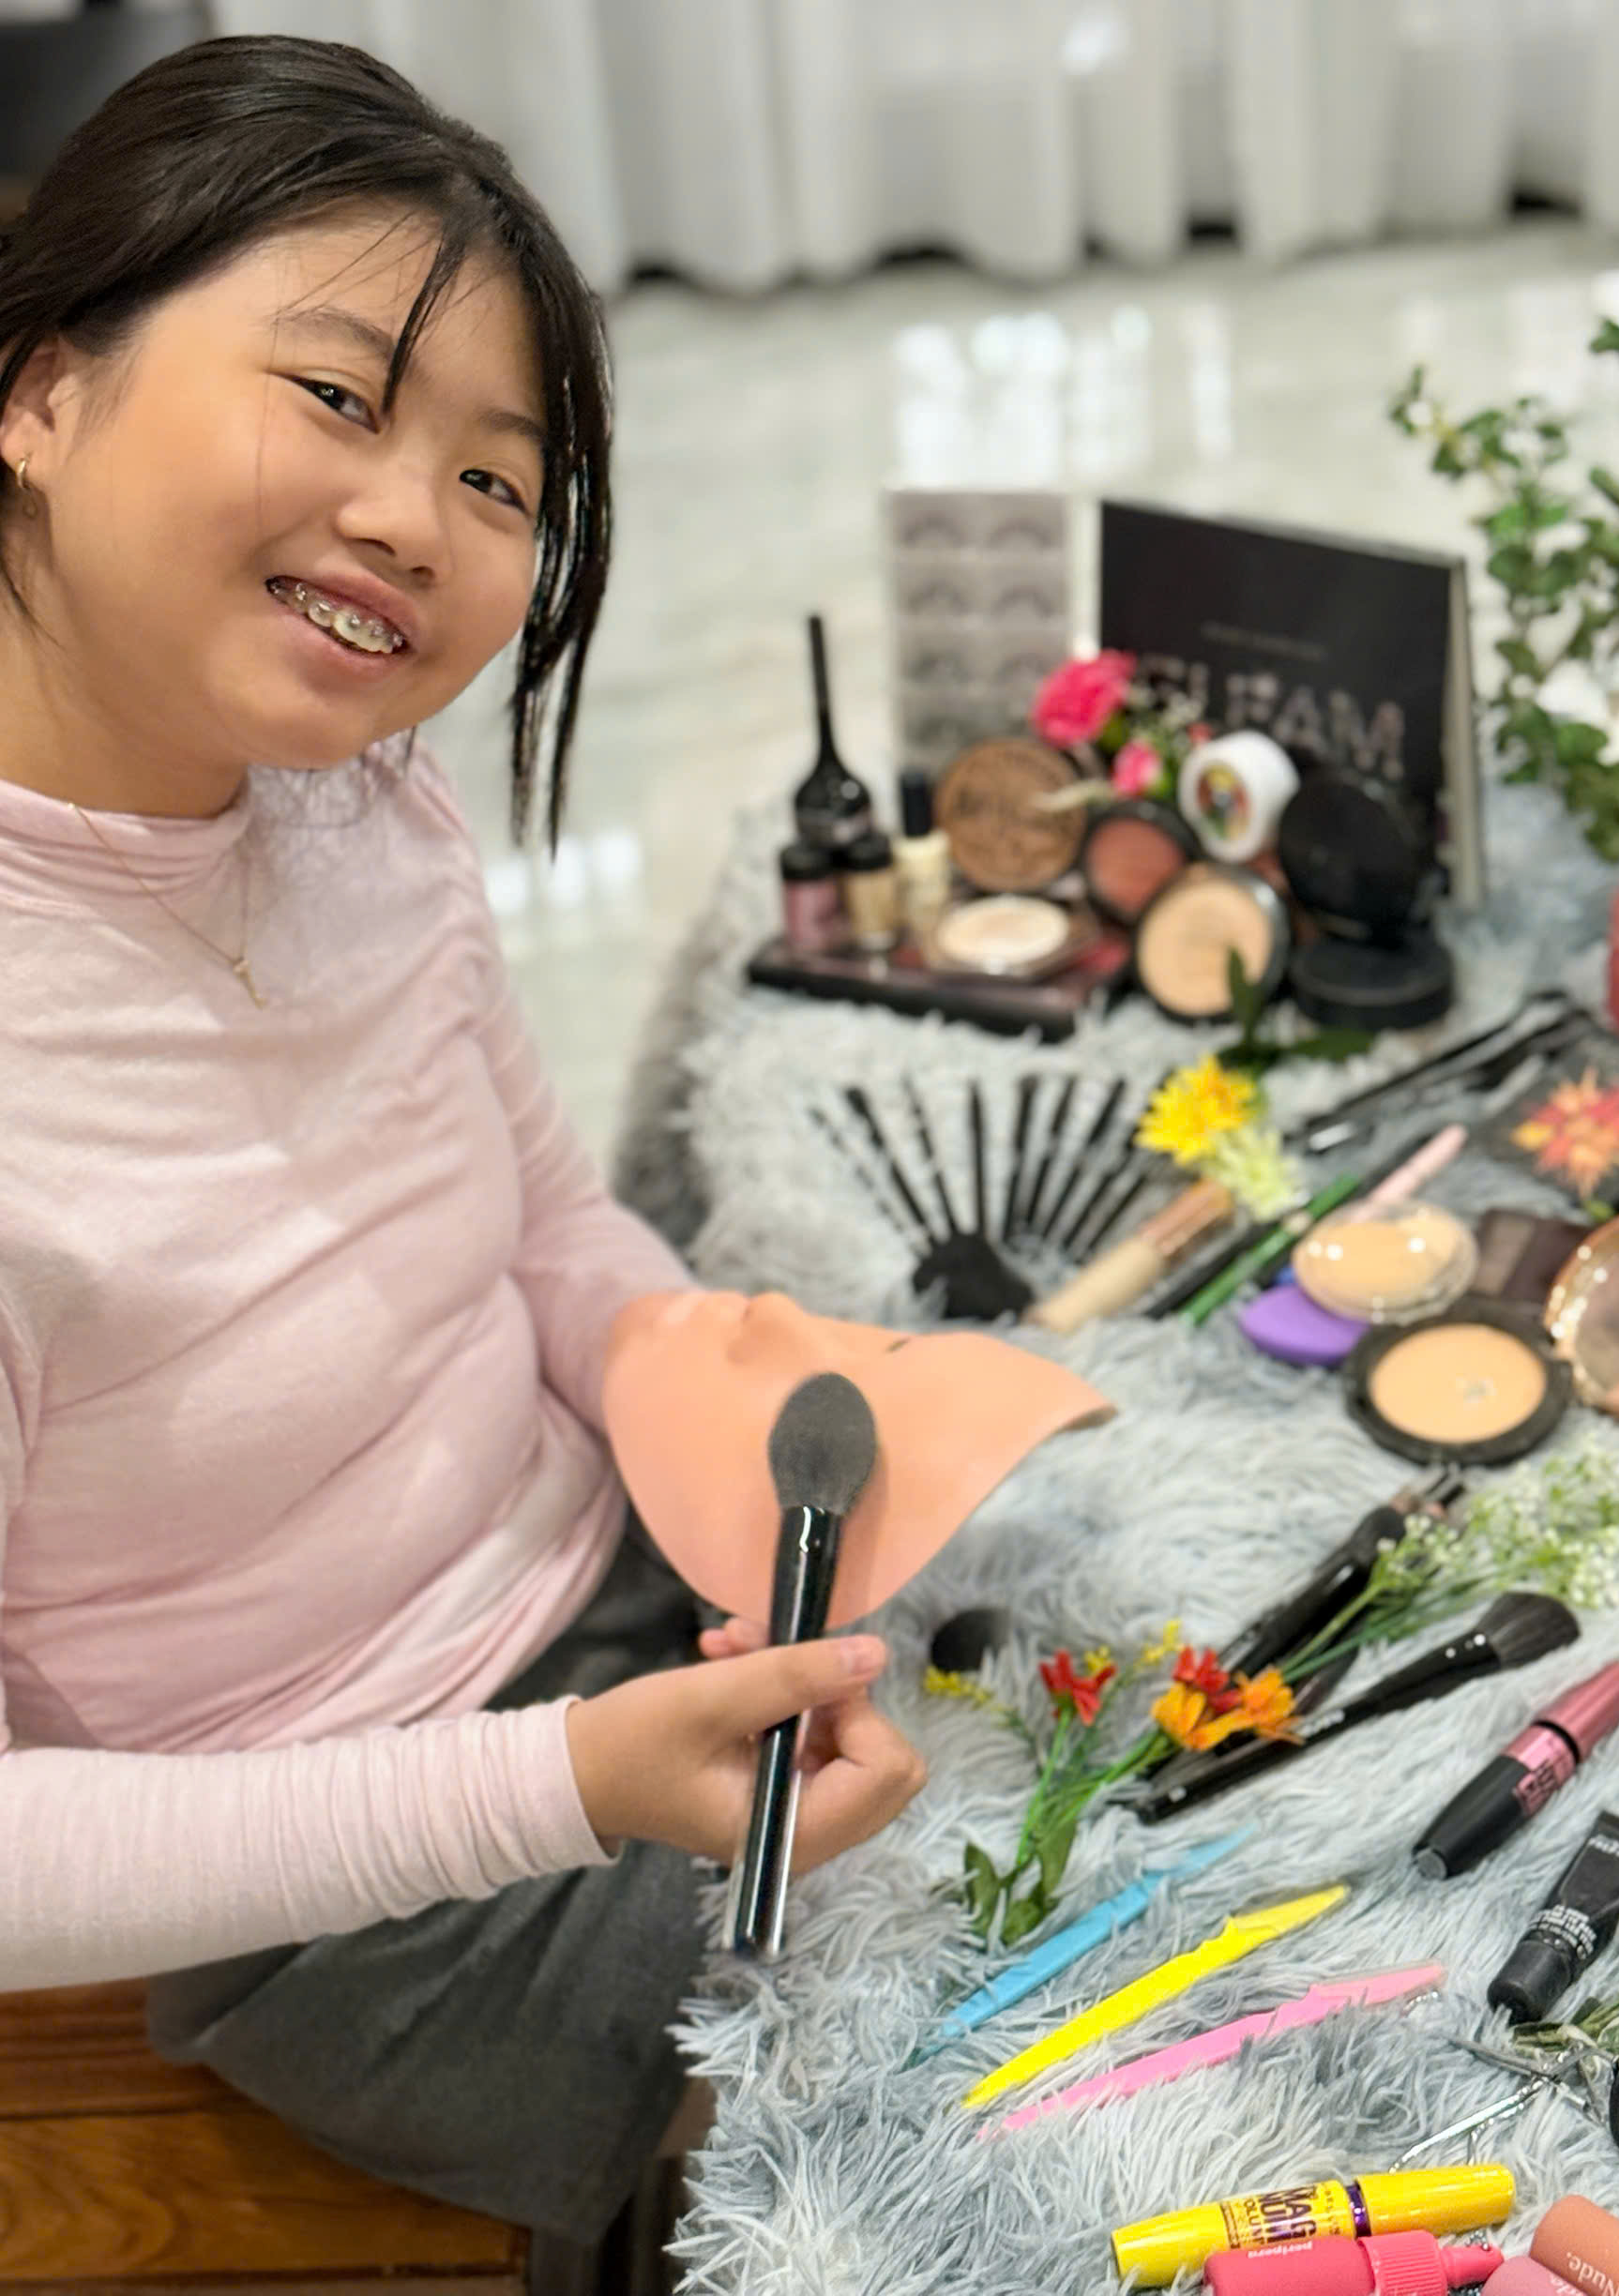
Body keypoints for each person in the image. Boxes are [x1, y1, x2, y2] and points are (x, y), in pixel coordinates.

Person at [0, 33, 927, 2243]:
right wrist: (559, 1786)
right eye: (336, 397)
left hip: (607, 1595)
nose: (416, 521)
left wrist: (691, 1388)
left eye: (500, 483)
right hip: (337, 1880)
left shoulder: (354, 793)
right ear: (38, 392)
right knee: (913, 2130)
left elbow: (541, 1213)